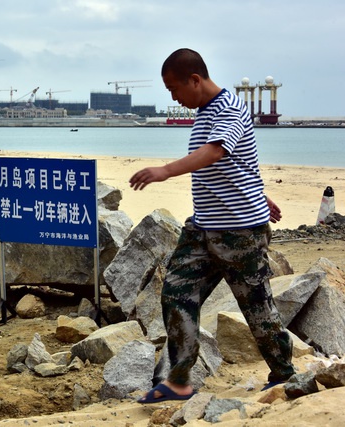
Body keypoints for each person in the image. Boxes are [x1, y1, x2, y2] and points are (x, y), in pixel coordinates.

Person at [129, 48, 295, 403]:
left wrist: (164, 171)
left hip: (239, 232)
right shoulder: (205, 111)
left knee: (257, 307)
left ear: (195, 79)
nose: (173, 97)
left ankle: (284, 375)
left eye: (174, 88)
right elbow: (238, 162)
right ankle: (178, 380)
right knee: (175, 292)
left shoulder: (231, 108)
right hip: (203, 228)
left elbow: (216, 153)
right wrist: (258, 192)